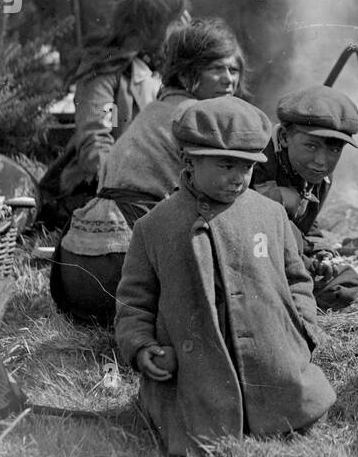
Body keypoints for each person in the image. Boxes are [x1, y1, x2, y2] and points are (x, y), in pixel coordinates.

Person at [114, 96, 336, 457]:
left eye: (247, 168)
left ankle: (278, 407)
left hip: (274, 363)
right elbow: (133, 302)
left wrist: (305, 332)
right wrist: (141, 348)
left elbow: (298, 281)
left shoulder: (270, 216)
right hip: (193, 373)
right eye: (226, 166)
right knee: (193, 428)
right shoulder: (154, 227)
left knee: (295, 407)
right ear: (189, 160)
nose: (238, 179)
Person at [50, 19, 247, 325]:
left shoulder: (156, 110)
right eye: (216, 69)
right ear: (186, 74)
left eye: (233, 70)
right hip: (121, 270)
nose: (228, 80)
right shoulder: (194, 118)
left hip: (77, 270)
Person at [39, 0, 192, 228]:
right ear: (152, 27)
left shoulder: (165, 69)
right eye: (175, 20)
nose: (184, 24)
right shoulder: (104, 72)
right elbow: (96, 142)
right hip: (105, 191)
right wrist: (128, 191)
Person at [252, 85, 358, 312]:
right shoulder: (254, 161)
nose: (322, 161)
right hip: (254, 254)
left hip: (285, 253)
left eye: (334, 150)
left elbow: (306, 221)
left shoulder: (318, 173)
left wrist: (320, 250)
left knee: (344, 284)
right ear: (284, 137)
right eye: (311, 145)